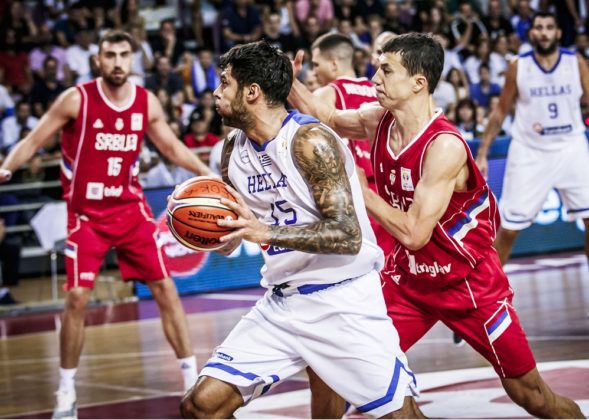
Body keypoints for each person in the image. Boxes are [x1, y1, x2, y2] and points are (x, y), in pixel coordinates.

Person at [288, 32, 585, 418]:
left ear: (418, 82)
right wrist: (288, 82)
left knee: (533, 396)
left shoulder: (444, 146)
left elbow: (414, 233)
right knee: (331, 364)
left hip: (468, 285)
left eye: (386, 70)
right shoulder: (379, 120)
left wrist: (359, 191)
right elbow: (326, 116)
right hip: (410, 283)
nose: (374, 78)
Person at [180, 40, 420, 419]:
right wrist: (207, 231)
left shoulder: (311, 141)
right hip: (283, 303)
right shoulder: (231, 152)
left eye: (225, 83)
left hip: (343, 302)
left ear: (252, 92)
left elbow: (347, 235)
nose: (216, 93)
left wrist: (266, 233)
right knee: (200, 406)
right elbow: (235, 238)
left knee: (401, 416)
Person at [0, 30, 212, 419]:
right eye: (110, 55)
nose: (117, 62)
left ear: (132, 59)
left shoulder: (145, 102)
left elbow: (170, 146)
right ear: (97, 60)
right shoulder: (76, 99)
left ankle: (192, 382)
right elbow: (33, 140)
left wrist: (205, 172)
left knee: (166, 288)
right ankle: (66, 392)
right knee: (77, 298)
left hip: (130, 210)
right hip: (87, 216)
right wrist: (7, 167)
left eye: (123, 54)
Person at [476, 11, 589, 266]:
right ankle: (489, 288)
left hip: (571, 147)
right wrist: (482, 153)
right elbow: (500, 111)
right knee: (509, 228)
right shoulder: (519, 66)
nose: (544, 32)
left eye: (549, 27)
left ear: (558, 32)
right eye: (539, 27)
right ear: (531, 33)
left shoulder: (575, 62)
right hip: (530, 150)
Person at [310, 32, 393, 255]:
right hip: (389, 187)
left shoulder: (326, 94)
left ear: (334, 63)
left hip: (356, 191)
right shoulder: (382, 90)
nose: (314, 71)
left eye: (316, 64)